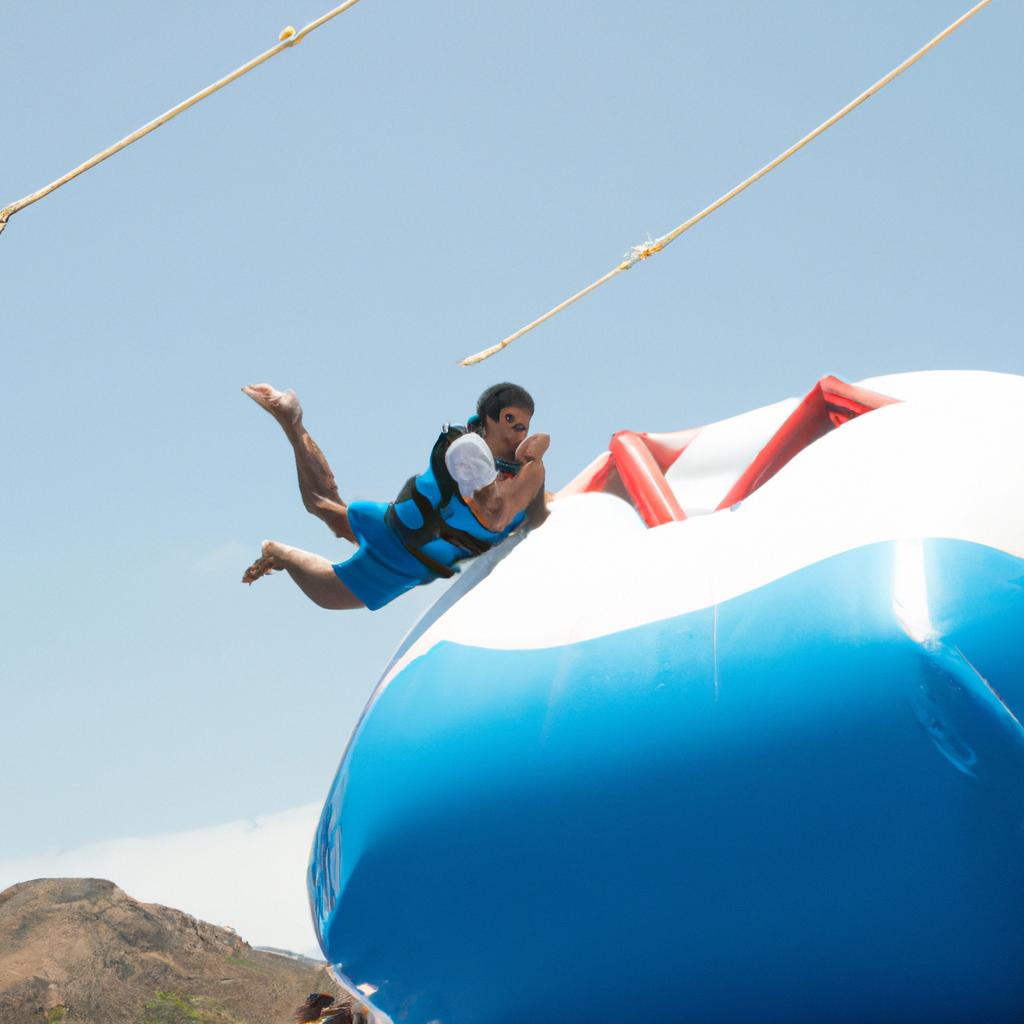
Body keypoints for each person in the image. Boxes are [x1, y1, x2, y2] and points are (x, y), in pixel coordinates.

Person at [240, 381, 549, 611]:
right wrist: (534, 465)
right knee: (334, 594)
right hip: (405, 548)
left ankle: (293, 423)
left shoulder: (505, 469)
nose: (519, 435)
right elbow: (496, 513)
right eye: (512, 423)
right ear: (491, 419)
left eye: (524, 427)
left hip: (410, 532)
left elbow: (526, 510)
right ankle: (282, 554)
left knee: (323, 504)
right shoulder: (469, 451)